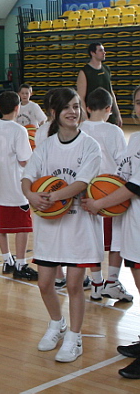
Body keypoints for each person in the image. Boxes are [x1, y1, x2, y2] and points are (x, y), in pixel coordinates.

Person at [21, 87, 101, 363]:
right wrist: (30, 195)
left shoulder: (90, 145)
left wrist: (52, 197)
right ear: (54, 112)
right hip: (50, 226)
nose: (73, 111)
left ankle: (75, 337)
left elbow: (81, 182)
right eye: (67, 107)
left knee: (74, 285)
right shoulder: (46, 146)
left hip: (79, 225)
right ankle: (57, 323)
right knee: (45, 284)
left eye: (76, 106)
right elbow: (28, 176)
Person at [82, 85, 140, 379]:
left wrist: (99, 202)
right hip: (129, 216)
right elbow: (122, 174)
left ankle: (100, 283)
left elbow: (134, 184)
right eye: (138, 102)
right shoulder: (131, 137)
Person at [78, 87, 132, 302]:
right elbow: (124, 164)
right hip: (111, 193)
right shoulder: (114, 131)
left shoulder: (79, 129)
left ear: (88, 108)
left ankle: (96, 283)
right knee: (116, 239)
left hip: (86, 193)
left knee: (92, 239)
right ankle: (112, 281)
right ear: (109, 108)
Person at [0, 91, 36, 280]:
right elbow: (24, 160)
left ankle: (7, 260)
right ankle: (21, 264)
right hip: (14, 186)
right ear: (17, 108)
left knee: (1, 227)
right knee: (23, 227)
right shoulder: (19, 130)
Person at [77, 42, 122, 126]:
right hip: (93, 113)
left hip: (108, 112)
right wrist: (85, 118)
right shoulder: (85, 71)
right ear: (92, 53)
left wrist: (117, 113)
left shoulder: (106, 69)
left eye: (104, 50)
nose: (104, 52)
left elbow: (111, 92)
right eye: (101, 50)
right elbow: (80, 97)